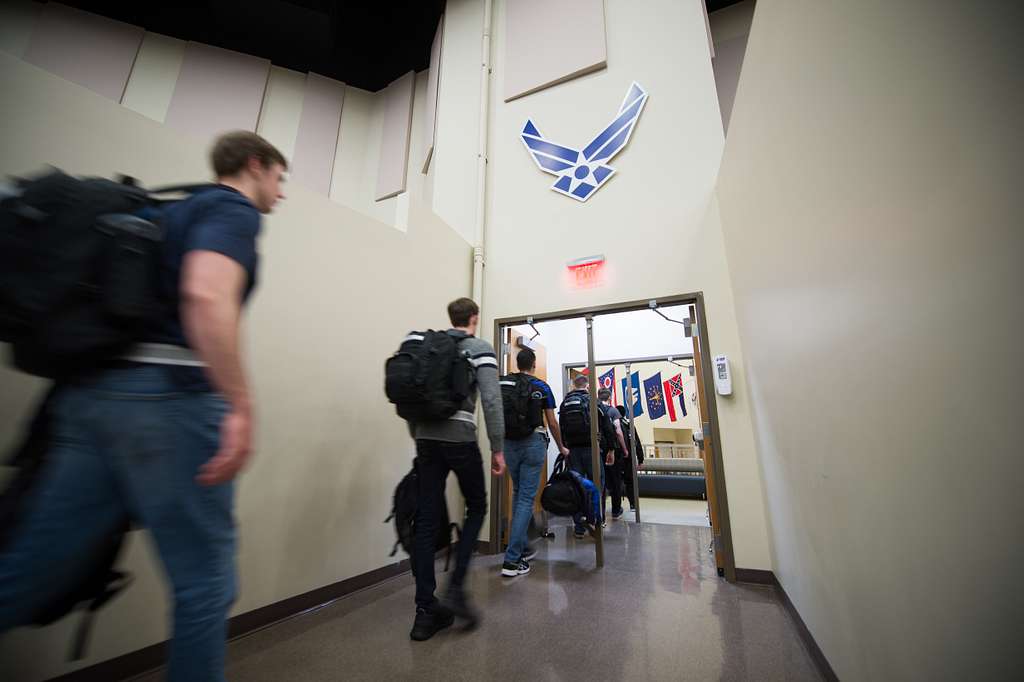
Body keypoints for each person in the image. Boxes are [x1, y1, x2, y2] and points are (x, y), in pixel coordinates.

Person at [0, 131, 287, 681]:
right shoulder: (232, 209)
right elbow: (205, 294)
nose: (281, 192)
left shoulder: (168, 211)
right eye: (279, 178)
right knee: (205, 582)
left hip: (88, 400)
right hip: (168, 403)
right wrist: (240, 405)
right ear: (254, 165)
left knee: (29, 569)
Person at [408, 297, 506, 641]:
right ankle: (456, 587)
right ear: (474, 318)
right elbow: (492, 401)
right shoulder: (479, 347)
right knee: (477, 506)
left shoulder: (428, 345)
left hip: (426, 440)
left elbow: (410, 397)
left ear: (451, 318)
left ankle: (424, 612)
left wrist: (419, 438)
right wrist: (498, 448)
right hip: (460, 438)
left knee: (425, 520)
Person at [500, 348, 569, 577]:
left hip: (508, 443)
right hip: (533, 443)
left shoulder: (505, 384)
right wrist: (561, 446)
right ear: (533, 364)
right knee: (526, 499)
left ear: (517, 363)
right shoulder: (542, 387)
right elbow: (552, 422)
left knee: (519, 494)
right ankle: (512, 560)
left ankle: (524, 546)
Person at [559, 374, 613, 538]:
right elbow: (607, 425)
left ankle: (579, 527)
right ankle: (595, 521)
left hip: (573, 451)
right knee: (597, 485)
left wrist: (564, 448)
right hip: (592, 449)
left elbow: (561, 428)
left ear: (574, 385)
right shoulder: (593, 401)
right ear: (587, 386)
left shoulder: (565, 403)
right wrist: (611, 449)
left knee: (576, 486)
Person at [598, 388, 628, 519]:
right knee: (615, 480)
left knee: (600, 480)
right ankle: (616, 510)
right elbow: (618, 431)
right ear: (609, 397)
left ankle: (600, 511)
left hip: (598, 449)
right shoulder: (613, 411)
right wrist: (624, 448)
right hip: (612, 450)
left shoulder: (594, 409)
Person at [616, 405, 645, 511]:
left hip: (617, 457)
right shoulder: (629, 425)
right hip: (629, 459)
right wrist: (640, 459)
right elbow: (637, 443)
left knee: (616, 482)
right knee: (630, 482)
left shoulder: (613, 424)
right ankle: (633, 504)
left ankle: (617, 507)